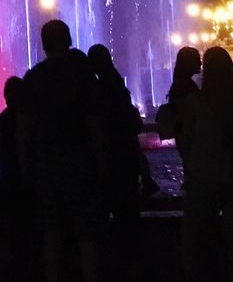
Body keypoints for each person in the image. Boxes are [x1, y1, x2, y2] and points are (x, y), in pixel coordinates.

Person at [21, 19, 105, 282]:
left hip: (47, 165)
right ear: (69, 41)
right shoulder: (84, 78)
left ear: (43, 45)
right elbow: (95, 123)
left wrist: (26, 169)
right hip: (80, 162)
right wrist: (102, 163)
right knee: (86, 237)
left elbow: (24, 131)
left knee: (52, 235)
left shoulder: (34, 78)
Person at [180, 46, 233, 282]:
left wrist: (190, 170)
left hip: (203, 179)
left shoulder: (197, 102)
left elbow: (187, 140)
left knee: (194, 241)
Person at [86, 44, 143, 260]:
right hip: (125, 162)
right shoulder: (118, 87)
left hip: (109, 164)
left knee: (102, 219)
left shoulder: (98, 91)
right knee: (127, 217)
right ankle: (131, 262)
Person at [0, 76, 35, 279]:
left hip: (7, 181)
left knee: (12, 227)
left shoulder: (2, 121)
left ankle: (15, 264)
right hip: (22, 180)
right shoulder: (30, 119)